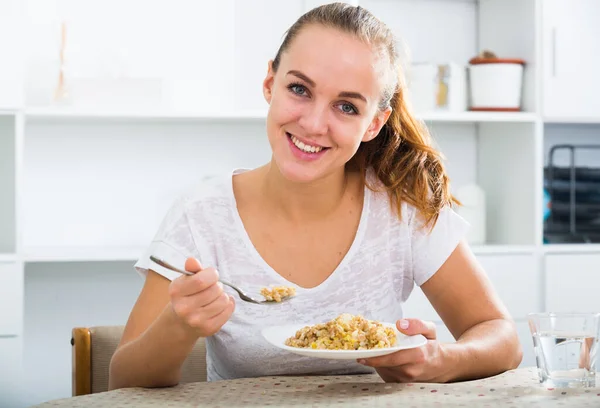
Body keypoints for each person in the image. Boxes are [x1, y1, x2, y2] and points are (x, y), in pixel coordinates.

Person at [108, 2, 522, 389]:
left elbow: (503, 338)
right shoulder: (201, 214)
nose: (313, 124)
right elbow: (121, 382)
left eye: (346, 107)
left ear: (374, 124)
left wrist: (438, 360)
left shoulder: (400, 206)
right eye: (300, 90)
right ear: (270, 83)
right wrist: (179, 326)